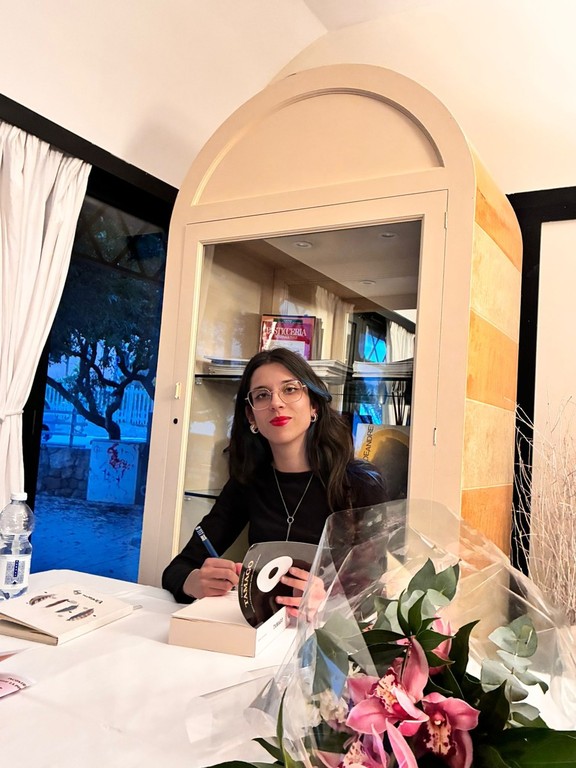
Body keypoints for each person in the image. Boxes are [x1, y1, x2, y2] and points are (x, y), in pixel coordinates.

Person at [162, 347, 388, 615]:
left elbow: (373, 596)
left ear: (313, 405)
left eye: (290, 390)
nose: (276, 403)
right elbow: (176, 570)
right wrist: (194, 582)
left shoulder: (360, 485)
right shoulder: (247, 482)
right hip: (260, 630)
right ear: (251, 417)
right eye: (262, 395)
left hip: (327, 634)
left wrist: (328, 600)